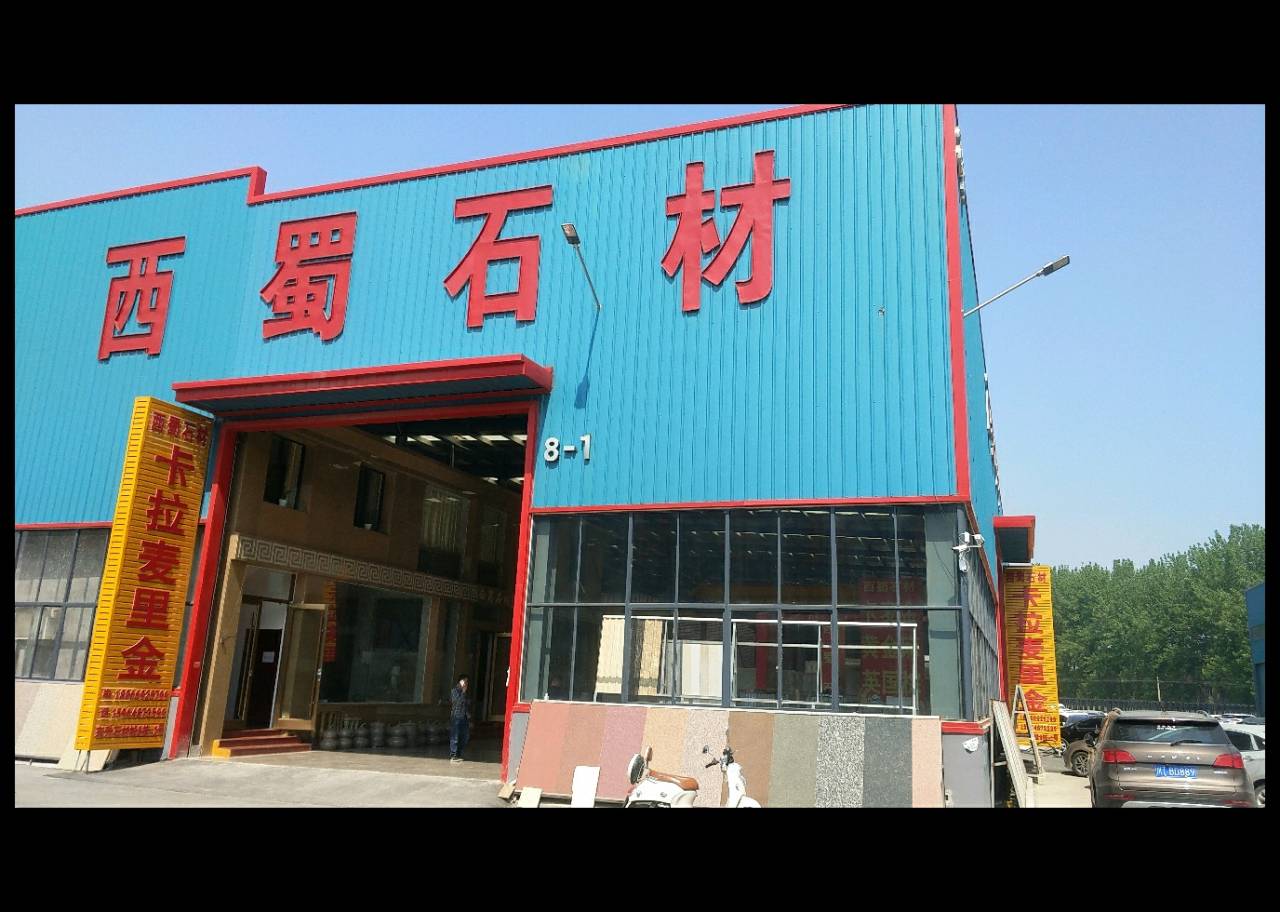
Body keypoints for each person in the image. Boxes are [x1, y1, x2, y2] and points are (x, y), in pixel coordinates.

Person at [449, 674, 472, 763]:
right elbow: (457, 702)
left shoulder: (465, 692)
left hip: (464, 717)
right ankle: (453, 755)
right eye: (464, 681)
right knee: (455, 736)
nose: (466, 683)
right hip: (456, 716)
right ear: (460, 682)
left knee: (465, 736)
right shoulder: (454, 691)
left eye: (467, 682)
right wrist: (463, 692)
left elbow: (467, 703)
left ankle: (458, 753)